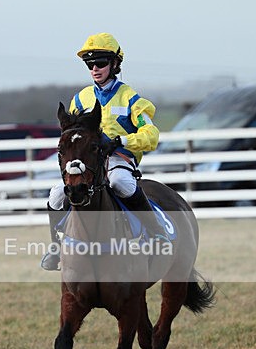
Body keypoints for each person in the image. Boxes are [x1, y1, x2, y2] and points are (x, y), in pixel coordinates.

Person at [41, 32, 166, 270]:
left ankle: (156, 232)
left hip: (119, 159)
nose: (95, 68)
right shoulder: (80, 98)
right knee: (57, 193)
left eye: (100, 63)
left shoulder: (130, 97)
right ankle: (55, 246)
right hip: (88, 163)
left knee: (120, 182)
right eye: (90, 64)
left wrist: (121, 141)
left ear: (115, 64)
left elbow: (152, 135)